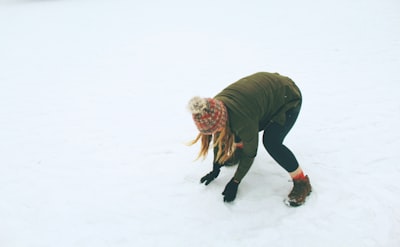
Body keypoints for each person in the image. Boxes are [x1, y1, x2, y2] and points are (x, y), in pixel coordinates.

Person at [188, 72, 312, 206]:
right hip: (263, 97)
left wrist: (236, 181)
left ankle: (301, 182)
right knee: (232, 128)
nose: (215, 133)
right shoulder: (213, 107)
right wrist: (216, 166)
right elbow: (218, 133)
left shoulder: (241, 119)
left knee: (272, 142)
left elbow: (251, 152)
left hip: (288, 97)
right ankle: (238, 151)